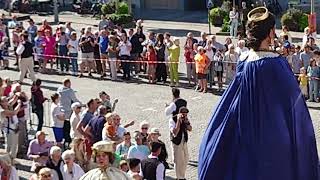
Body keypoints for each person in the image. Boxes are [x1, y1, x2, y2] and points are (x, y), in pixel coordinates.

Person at [198, 7, 319, 180]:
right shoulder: (276, 64)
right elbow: (294, 104)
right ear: (270, 33)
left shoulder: (245, 60)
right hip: (273, 136)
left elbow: (232, 98)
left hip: (245, 130)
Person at [169, 107, 192, 180]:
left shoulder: (185, 119)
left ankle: (182, 175)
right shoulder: (172, 120)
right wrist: (179, 121)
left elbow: (190, 129)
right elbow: (175, 132)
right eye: (183, 114)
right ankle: (179, 177)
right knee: (178, 160)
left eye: (185, 114)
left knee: (186, 158)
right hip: (176, 141)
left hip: (184, 140)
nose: (184, 115)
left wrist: (186, 122)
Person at [0, 96, 20, 161]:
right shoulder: (2, 111)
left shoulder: (8, 106)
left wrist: (17, 95)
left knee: (14, 146)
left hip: (15, 129)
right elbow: (13, 113)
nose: (7, 102)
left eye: (7, 100)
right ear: (1, 103)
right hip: (8, 130)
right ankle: (6, 160)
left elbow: (13, 100)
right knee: (9, 146)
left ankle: (12, 159)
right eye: (4, 101)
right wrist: (19, 104)